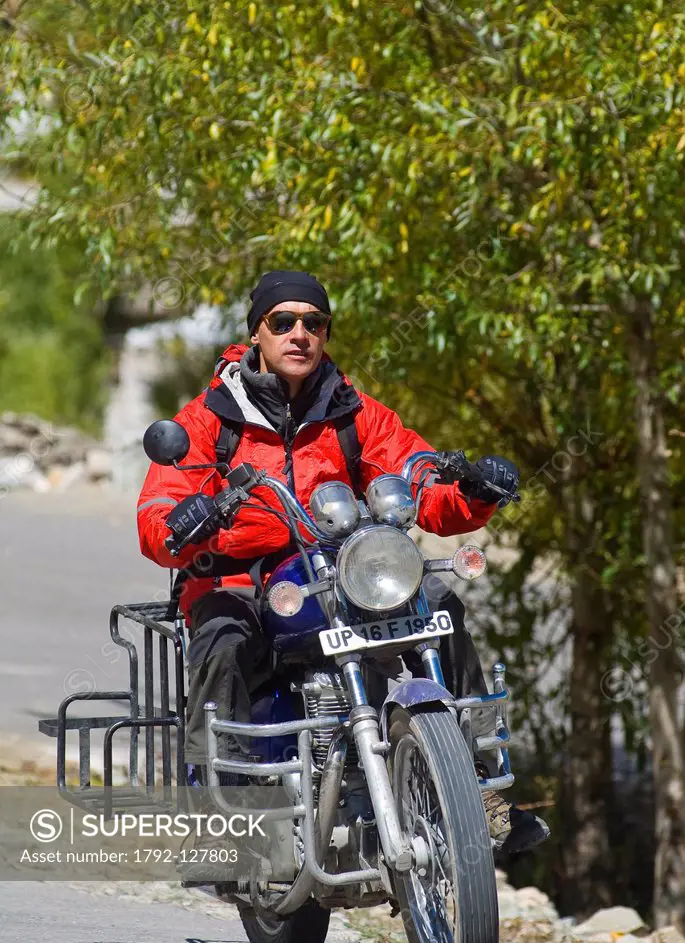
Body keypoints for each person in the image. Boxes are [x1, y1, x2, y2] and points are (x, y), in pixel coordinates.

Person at [137, 270, 549, 855]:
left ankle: (480, 789)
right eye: (283, 322)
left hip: (341, 575)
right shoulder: (209, 419)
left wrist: (474, 488)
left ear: (326, 333)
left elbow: (421, 480)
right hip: (240, 580)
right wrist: (183, 520)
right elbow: (156, 510)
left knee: (443, 609)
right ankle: (221, 814)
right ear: (258, 332)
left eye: (314, 323)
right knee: (222, 640)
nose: (299, 334)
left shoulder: (356, 413)